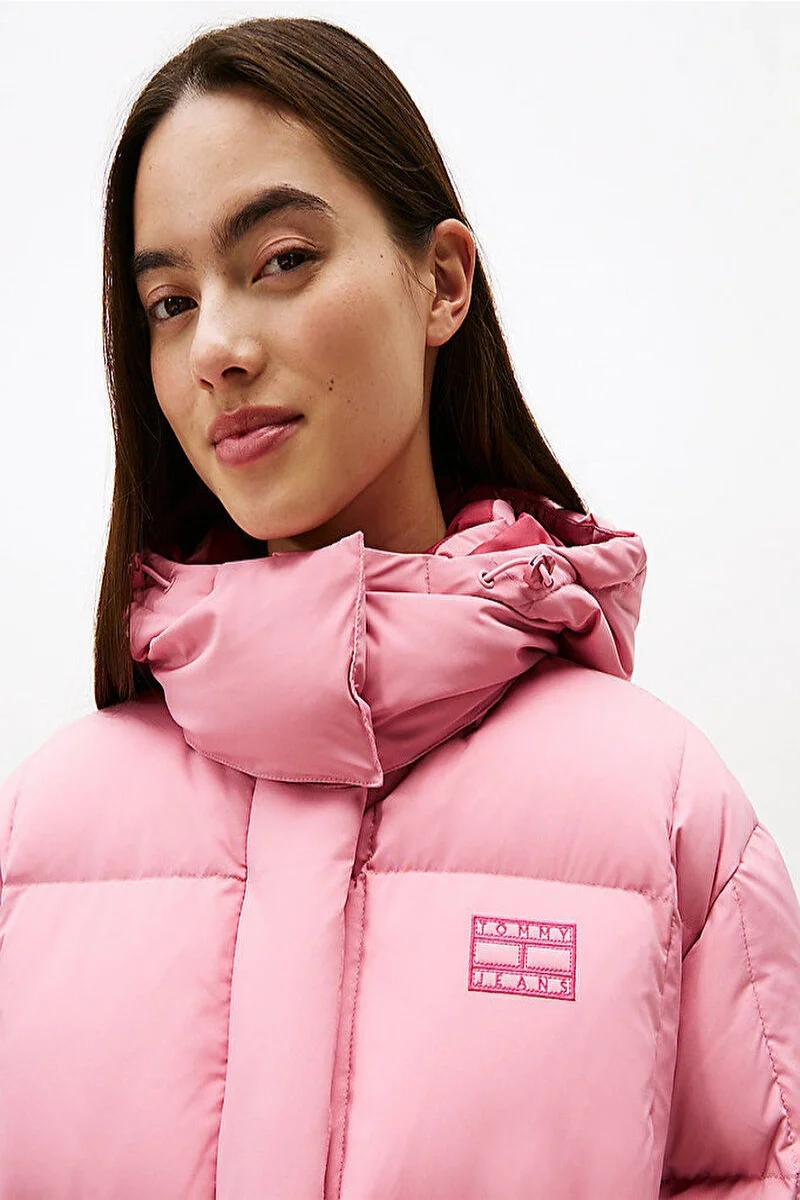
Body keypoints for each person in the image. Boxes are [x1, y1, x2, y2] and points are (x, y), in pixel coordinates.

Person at [0, 14, 798, 1199]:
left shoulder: (662, 812)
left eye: (281, 260)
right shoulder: (44, 828)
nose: (217, 346)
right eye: (168, 302)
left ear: (441, 282)